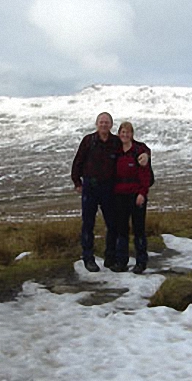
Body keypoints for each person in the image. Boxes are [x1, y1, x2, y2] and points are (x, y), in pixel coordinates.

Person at [71, 113, 147, 272]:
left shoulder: (115, 142)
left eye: (107, 122)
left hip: (109, 188)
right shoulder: (88, 140)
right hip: (90, 187)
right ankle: (88, 258)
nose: (104, 125)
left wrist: (146, 153)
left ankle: (110, 257)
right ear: (97, 124)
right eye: (101, 122)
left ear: (111, 125)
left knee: (113, 225)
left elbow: (135, 146)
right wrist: (77, 182)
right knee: (88, 224)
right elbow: (78, 161)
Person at [112, 121, 151, 274]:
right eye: (122, 132)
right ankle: (122, 261)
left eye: (128, 132)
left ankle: (141, 262)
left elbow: (145, 174)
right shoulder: (116, 151)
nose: (125, 135)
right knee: (121, 229)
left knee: (139, 229)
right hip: (119, 195)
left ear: (132, 135)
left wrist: (142, 193)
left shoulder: (139, 151)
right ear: (118, 134)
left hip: (136, 195)